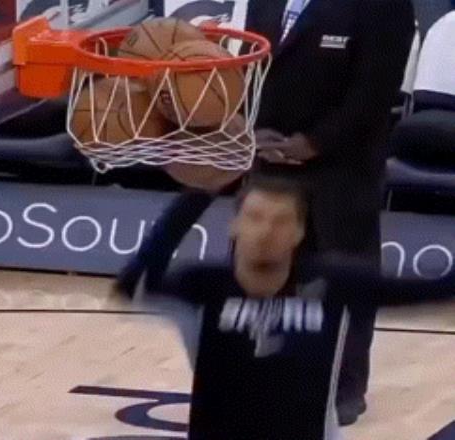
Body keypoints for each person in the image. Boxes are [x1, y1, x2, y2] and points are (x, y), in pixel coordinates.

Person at [118, 175, 455, 440]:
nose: (266, 231)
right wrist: (198, 194)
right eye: (255, 217)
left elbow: (438, 290)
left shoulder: (334, 283)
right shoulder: (202, 286)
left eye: (280, 221)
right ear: (234, 225)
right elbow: (133, 282)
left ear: (298, 232)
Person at [247, 0, 416, 424]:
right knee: (267, 275)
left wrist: (315, 142)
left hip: (343, 168)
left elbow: (376, 90)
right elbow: (254, 68)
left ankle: (345, 387)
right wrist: (252, 130)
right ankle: (267, 376)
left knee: (346, 276)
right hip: (269, 160)